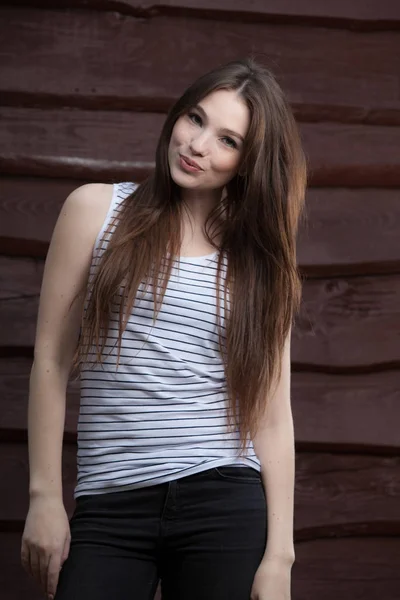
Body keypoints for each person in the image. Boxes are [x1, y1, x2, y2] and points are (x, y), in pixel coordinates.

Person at [21, 57, 306, 600]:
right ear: (176, 116)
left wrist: (279, 558)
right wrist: (44, 498)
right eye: (195, 119)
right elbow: (51, 362)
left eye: (227, 140)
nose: (197, 145)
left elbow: (271, 416)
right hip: (110, 501)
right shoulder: (96, 211)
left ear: (248, 163)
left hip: (222, 498)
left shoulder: (261, 264)